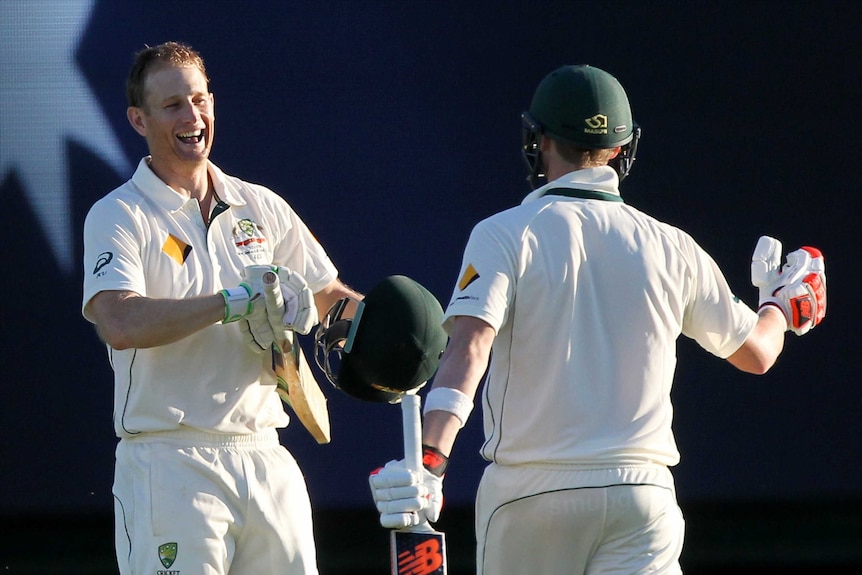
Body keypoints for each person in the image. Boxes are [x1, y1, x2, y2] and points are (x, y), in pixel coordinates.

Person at [368, 64, 826, 574]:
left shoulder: (504, 234)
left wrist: (430, 462)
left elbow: (469, 349)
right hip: (641, 495)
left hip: (531, 495)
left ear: (539, 140)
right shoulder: (673, 245)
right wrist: (782, 307)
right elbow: (758, 354)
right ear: (620, 148)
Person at [82, 41, 361, 575]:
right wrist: (232, 303)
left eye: (199, 100)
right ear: (138, 120)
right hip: (170, 460)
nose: (193, 118)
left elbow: (331, 300)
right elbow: (119, 320)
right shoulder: (118, 213)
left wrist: (396, 328)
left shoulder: (260, 205)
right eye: (172, 106)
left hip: (265, 452)